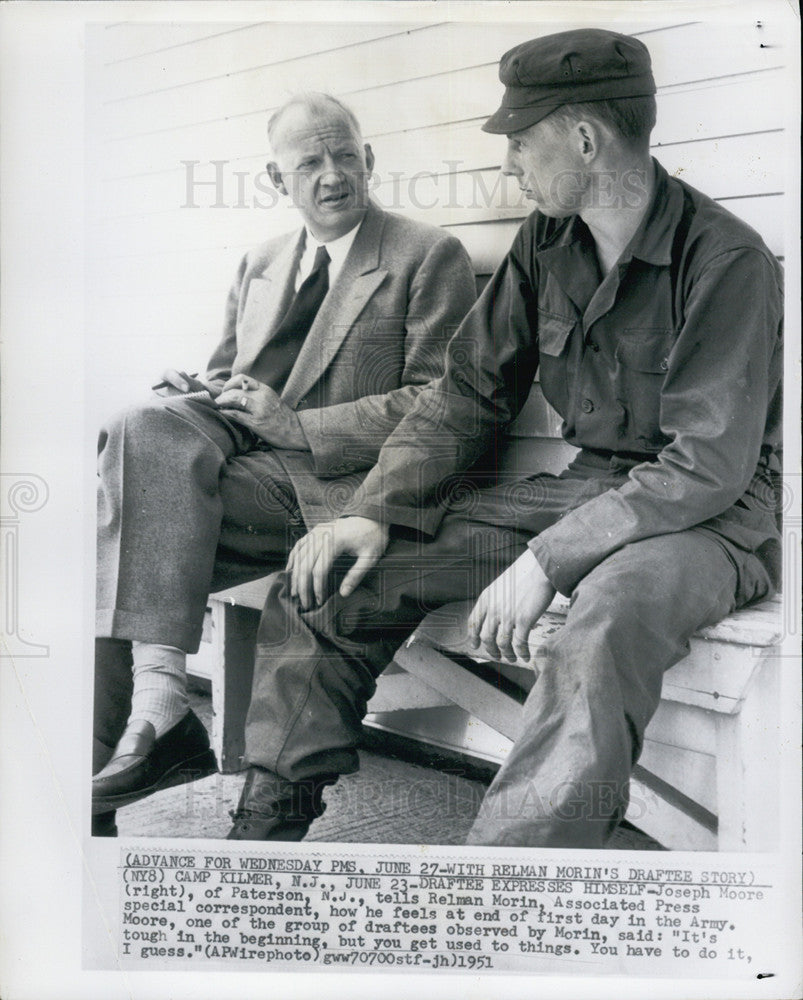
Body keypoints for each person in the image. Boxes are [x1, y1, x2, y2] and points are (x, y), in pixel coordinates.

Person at [227, 29, 783, 845]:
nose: (510, 163)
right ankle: (260, 844)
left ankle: (510, 886)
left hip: (707, 519)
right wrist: (373, 512)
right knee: (335, 581)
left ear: (584, 139)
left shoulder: (725, 259)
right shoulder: (547, 240)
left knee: (601, 621)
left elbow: (704, 464)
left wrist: (545, 562)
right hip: (581, 492)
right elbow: (467, 394)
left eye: (521, 140)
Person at [91, 92, 477, 835]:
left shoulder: (425, 254)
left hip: (326, 483)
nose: (331, 174)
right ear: (278, 180)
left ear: (368, 159)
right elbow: (233, 372)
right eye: (309, 162)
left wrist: (297, 425)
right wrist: (202, 390)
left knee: (107, 536)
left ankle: (143, 734)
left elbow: (442, 404)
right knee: (137, 425)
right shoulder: (261, 260)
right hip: (239, 459)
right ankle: (138, 740)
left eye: (344, 155)